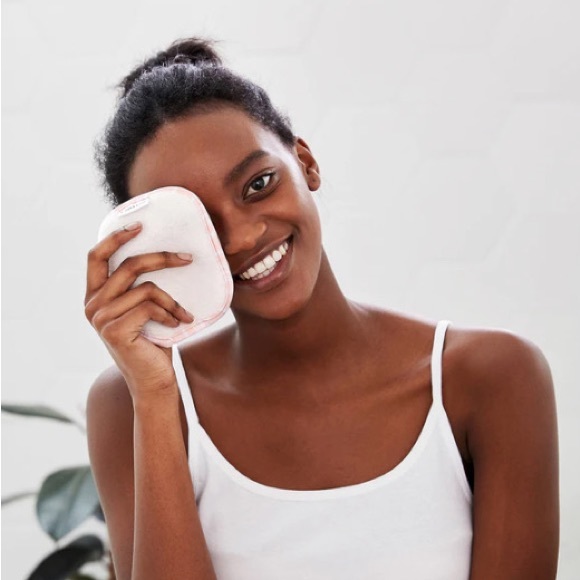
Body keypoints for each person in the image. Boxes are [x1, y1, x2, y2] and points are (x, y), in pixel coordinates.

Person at [84, 36, 560, 580]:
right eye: (201, 225)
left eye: (258, 184)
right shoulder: (132, 403)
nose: (242, 238)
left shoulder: (493, 379)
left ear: (306, 164)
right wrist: (154, 398)